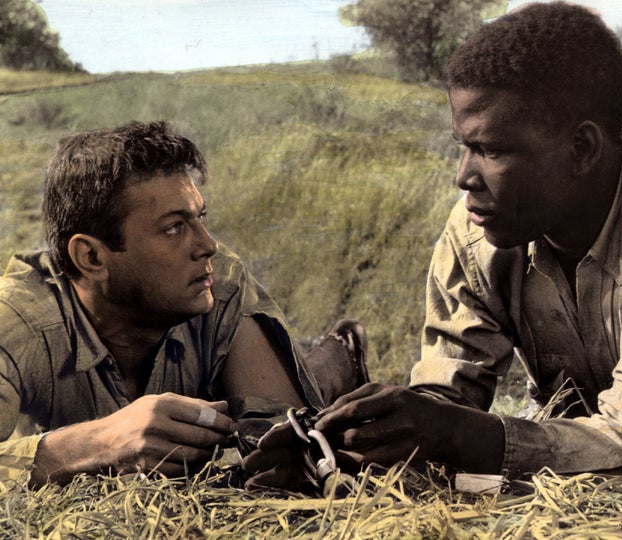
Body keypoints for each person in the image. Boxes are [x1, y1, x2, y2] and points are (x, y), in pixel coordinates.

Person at [244, 1, 622, 488]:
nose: (463, 177)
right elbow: (447, 398)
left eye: (491, 150)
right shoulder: (479, 232)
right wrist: (354, 448)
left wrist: (459, 435)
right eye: (463, 146)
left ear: (582, 149)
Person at [0, 121, 368, 487]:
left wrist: (271, 444)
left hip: (230, 381)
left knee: (307, 404)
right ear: (92, 257)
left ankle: (342, 353)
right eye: (174, 227)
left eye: (200, 217)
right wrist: (98, 444)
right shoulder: (17, 319)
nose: (207, 245)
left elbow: (280, 445)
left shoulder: (219, 282)